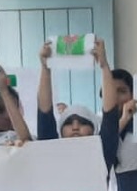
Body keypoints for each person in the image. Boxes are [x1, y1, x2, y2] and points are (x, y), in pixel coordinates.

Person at [35, 39, 123, 172]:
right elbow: (44, 113)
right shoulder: (51, 151)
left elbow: (110, 114)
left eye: (83, 123)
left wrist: (104, 65)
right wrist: (45, 68)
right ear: (60, 131)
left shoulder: (102, 153)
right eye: (68, 123)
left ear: (94, 129)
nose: (75, 127)